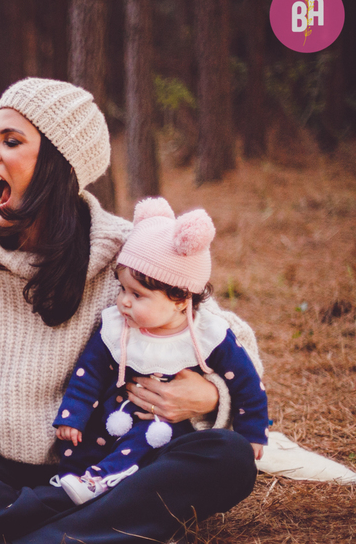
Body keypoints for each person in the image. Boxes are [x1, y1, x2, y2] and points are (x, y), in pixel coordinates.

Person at [0, 77, 262, 544]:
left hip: (110, 465)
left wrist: (210, 395)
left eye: (11, 141)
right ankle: (114, 532)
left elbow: (225, 336)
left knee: (228, 457)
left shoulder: (127, 251)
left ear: (57, 163)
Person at [53, 197, 268, 504]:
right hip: (116, 412)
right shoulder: (118, 326)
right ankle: (68, 483)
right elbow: (88, 372)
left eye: (138, 295)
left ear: (180, 298)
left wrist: (253, 433)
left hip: (163, 428)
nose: (124, 301)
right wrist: (72, 416)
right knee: (81, 439)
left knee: (144, 443)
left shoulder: (209, 335)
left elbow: (248, 385)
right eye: (122, 289)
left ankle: (101, 480)